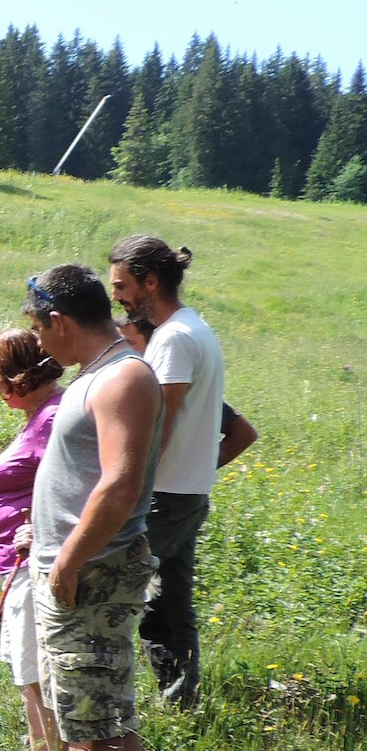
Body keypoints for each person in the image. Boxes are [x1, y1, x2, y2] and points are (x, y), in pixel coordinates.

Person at [24, 265, 163, 751]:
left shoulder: (123, 379)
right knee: (84, 706)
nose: (35, 341)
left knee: (98, 713)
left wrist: (68, 561)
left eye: (37, 327)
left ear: (59, 321)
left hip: (93, 571)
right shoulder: (94, 375)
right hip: (73, 566)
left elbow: (122, 483)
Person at [108, 235, 225, 708]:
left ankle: (108, 701)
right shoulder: (194, 329)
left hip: (163, 494)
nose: (116, 295)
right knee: (170, 602)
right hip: (185, 491)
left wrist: (123, 488)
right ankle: (180, 699)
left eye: (121, 285)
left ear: (150, 282)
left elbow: (161, 424)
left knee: (107, 589)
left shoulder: (174, 340)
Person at [0, 329, 66, 751]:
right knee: (21, 660)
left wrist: (37, 530)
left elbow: (67, 486)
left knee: (34, 664)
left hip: (34, 560)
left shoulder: (53, 417)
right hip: (15, 562)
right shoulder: (39, 413)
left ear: (18, 378)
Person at [119, 317, 257, 472]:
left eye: (130, 344)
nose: (123, 352)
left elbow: (243, 433)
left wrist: (198, 470)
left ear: (154, 346)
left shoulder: (179, 392)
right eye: (119, 344)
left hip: (170, 492)